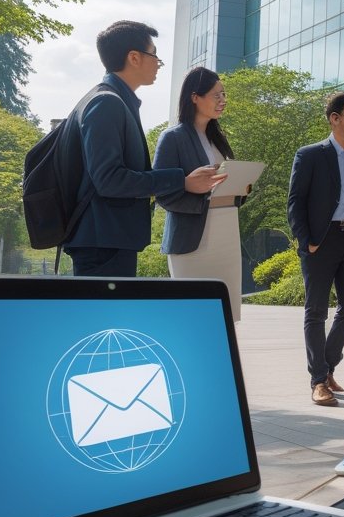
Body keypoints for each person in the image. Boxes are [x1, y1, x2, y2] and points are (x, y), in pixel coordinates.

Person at [64, 20, 223, 277]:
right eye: (154, 54)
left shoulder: (114, 101)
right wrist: (181, 181)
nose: (158, 63)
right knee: (106, 316)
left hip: (109, 238)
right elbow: (109, 181)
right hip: (103, 241)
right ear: (134, 57)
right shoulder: (106, 103)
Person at [287, 91, 344, 407]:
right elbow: (295, 201)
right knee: (316, 311)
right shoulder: (310, 155)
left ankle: (327, 366)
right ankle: (318, 381)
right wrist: (304, 238)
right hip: (321, 240)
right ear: (335, 118)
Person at [154, 67, 247, 320]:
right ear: (195, 97)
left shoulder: (218, 138)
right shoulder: (172, 137)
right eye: (216, 95)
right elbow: (160, 191)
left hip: (227, 231)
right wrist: (187, 185)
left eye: (224, 95)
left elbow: (225, 184)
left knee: (224, 314)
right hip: (191, 236)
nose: (223, 101)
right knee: (191, 312)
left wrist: (243, 186)